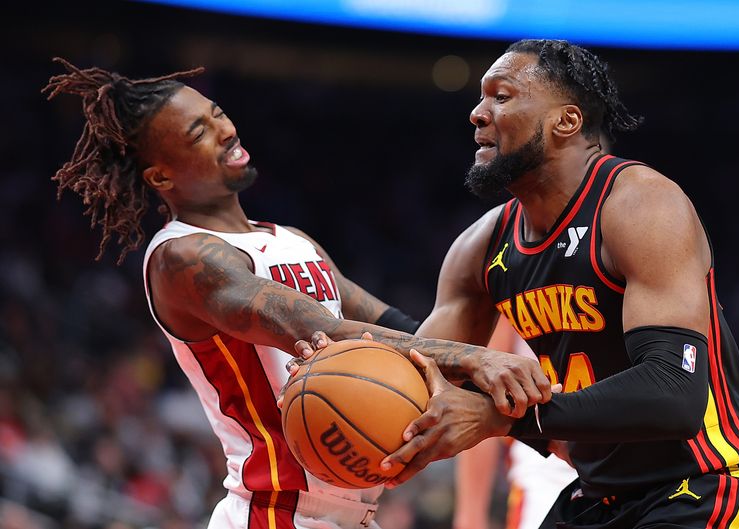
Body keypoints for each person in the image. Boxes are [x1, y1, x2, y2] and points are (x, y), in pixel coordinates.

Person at [43, 59, 553, 529]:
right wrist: (476, 358)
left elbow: (403, 329)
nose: (225, 130)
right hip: (275, 511)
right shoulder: (184, 259)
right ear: (161, 175)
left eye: (218, 114)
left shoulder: (290, 240)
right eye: (199, 131)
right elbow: (326, 332)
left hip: (352, 513)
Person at [376, 39, 739, 528]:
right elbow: (421, 369)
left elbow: (673, 393)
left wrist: (499, 419)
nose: (477, 113)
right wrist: (331, 343)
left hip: (698, 491)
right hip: (595, 496)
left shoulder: (640, 205)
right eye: (481, 98)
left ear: (566, 121)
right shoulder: (481, 246)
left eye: (501, 96)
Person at [453, 318, 576, 529]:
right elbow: (484, 396)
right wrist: (470, 516)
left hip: (634, 465)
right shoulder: (511, 293)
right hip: (547, 471)